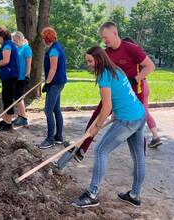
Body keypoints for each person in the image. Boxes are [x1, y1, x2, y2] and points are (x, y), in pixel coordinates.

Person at [74, 22, 161, 162]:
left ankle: (141, 158)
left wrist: (135, 79)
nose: (104, 40)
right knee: (96, 117)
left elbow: (150, 66)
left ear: (115, 33)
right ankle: (81, 149)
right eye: (102, 38)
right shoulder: (106, 53)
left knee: (136, 126)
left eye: (106, 37)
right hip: (112, 94)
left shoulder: (132, 49)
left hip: (132, 94)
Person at [72, 46, 146, 208]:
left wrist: (96, 127)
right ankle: (134, 195)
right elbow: (122, 94)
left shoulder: (104, 75)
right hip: (139, 114)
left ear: (99, 59)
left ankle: (92, 194)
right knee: (139, 157)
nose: (88, 64)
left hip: (128, 120)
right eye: (87, 61)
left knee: (100, 150)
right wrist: (116, 113)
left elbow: (106, 107)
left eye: (90, 61)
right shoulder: (116, 69)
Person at [38, 27, 67, 149]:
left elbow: (53, 68)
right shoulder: (56, 47)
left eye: (43, 38)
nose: (42, 41)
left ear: (46, 39)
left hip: (55, 83)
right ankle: (58, 137)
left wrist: (47, 81)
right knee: (56, 110)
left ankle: (50, 139)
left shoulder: (54, 50)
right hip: (58, 82)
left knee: (48, 110)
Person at [0, 26, 19, 131]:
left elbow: (6, 61)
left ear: (2, 36)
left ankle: (8, 124)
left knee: (8, 98)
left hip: (10, 76)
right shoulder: (5, 45)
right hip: (7, 76)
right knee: (5, 97)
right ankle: (5, 120)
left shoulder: (7, 45)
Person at [11, 31, 32, 127]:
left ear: (20, 39)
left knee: (19, 97)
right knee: (16, 97)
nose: (13, 41)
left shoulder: (26, 48)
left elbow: (28, 63)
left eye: (14, 40)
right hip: (15, 76)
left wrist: (27, 75)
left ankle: (24, 118)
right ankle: (19, 116)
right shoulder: (17, 48)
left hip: (22, 77)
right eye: (13, 40)